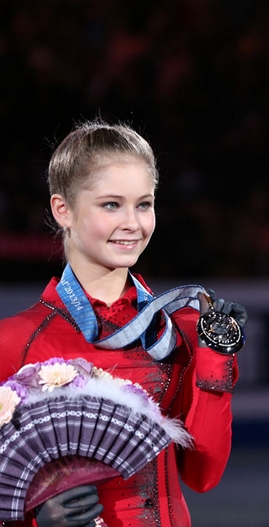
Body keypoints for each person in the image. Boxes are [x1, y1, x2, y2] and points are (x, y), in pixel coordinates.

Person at [0, 120, 247, 527]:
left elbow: (204, 476)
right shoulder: (16, 341)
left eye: (144, 204)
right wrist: (34, 517)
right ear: (63, 209)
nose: (133, 222)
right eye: (111, 205)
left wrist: (216, 359)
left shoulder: (179, 330)